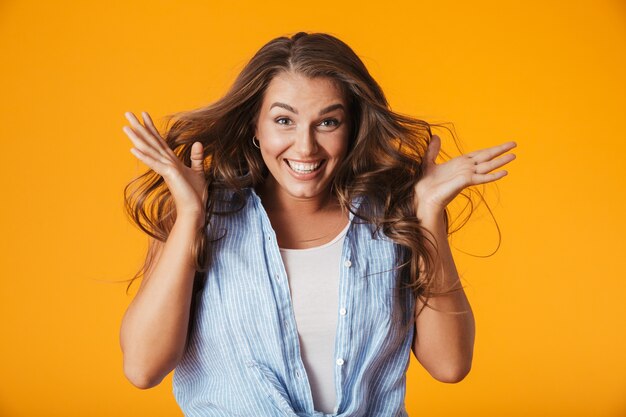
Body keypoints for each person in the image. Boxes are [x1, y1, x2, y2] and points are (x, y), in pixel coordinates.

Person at [119, 31, 517, 417]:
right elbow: (142, 368)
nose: (305, 147)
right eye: (284, 121)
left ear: (353, 128)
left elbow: (450, 365)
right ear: (255, 126)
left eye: (328, 122)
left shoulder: (396, 217)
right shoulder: (203, 217)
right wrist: (190, 214)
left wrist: (427, 212)